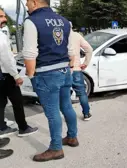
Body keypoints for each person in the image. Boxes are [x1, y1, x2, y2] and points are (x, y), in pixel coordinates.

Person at [23, 0, 78, 162]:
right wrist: (69, 67)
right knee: (67, 106)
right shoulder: (64, 21)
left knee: (52, 112)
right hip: (65, 70)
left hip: (46, 73)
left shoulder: (32, 21)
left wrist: (31, 76)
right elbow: (71, 51)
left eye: (27, 2)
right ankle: (72, 137)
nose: (26, 6)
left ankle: (56, 148)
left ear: (34, 2)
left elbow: (29, 53)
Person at [0, 9, 38, 138]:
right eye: (0, 16)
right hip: (6, 74)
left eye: (4, 16)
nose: (4, 19)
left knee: (1, 101)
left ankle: (2, 127)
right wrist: (16, 76)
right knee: (17, 101)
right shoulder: (1, 37)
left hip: (2, 73)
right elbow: (6, 58)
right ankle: (23, 128)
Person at [69, 23, 93, 121]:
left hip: (62, 70)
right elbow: (89, 49)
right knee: (81, 93)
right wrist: (86, 63)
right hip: (76, 69)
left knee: (65, 94)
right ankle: (86, 114)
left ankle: (68, 116)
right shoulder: (76, 36)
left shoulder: (57, 36)